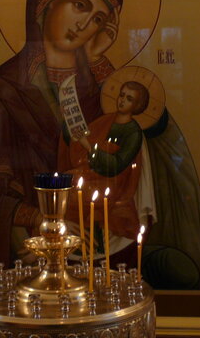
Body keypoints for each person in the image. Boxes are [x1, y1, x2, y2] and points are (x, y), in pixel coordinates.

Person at [0, 0, 200, 289]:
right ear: (46, 1)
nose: (85, 25)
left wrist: (97, 62)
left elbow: (141, 138)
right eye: (80, 5)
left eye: (99, 18)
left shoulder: (105, 89)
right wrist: (40, 221)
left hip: (109, 244)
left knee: (177, 271)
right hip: (37, 251)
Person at [62, 80, 148, 241]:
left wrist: (87, 146)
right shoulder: (107, 120)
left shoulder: (133, 133)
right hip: (90, 173)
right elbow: (82, 142)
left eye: (129, 99)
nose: (122, 100)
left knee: (70, 195)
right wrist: (74, 133)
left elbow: (116, 165)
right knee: (63, 183)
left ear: (137, 105)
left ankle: (87, 239)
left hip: (113, 182)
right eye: (122, 95)